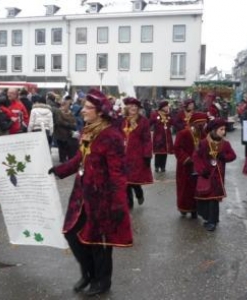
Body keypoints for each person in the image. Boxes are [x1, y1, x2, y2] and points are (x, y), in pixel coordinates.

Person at [48, 88, 132, 296]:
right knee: (71, 233)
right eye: (84, 107)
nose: (83, 111)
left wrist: (118, 203)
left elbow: (118, 172)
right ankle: (88, 273)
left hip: (103, 197)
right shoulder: (88, 130)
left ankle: (102, 281)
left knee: (99, 242)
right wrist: (60, 170)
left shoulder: (111, 136)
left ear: (100, 112)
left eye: (87, 108)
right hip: (81, 193)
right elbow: (80, 158)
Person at [193, 118, 236, 231]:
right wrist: (202, 170)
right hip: (206, 175)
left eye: (224, 129)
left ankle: (213, 221)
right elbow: (196, 157)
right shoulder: (203, 143)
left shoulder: (225, 144)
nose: (223, 131)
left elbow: (233, 155)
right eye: (221, 129)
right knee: (205, 198)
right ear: (214, 130)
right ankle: (208, 218)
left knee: (214, 199)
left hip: (218, 176)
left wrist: (224, 157)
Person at [174, 112, 208, 218]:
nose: (202, 125)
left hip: (198, 166)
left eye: (204, 123)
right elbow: (177, 148)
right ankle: (184, 208)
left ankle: (195, 209)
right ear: (194, 123)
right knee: (185, 188)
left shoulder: (204, 134)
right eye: (200, 123)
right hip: (186, 167)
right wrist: (186, 158)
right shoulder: (184, 133)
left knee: (197, 188)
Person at [121, 97, 153, 209]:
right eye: (131, 106)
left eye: (135, 106)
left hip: (137, 155)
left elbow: (147, 139)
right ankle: (129, 203)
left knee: (134, 180)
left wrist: (147, 154)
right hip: (123, 156)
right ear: (127, 108)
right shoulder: (122, 120)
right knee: (125, 181)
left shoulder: (143, 121)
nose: (133, 108)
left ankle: (139, 193)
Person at [149, 100, 174, 172]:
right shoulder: (155, 114)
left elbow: (173, 122)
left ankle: (163, 166)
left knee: (165, 153)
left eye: (167, 106)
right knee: (158, 152)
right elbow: (149, 123)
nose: (167, 107)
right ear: (162, 107)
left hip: (166, 136)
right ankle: (157, 166)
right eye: (166, 106)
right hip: (158, 136)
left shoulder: (168, 115)